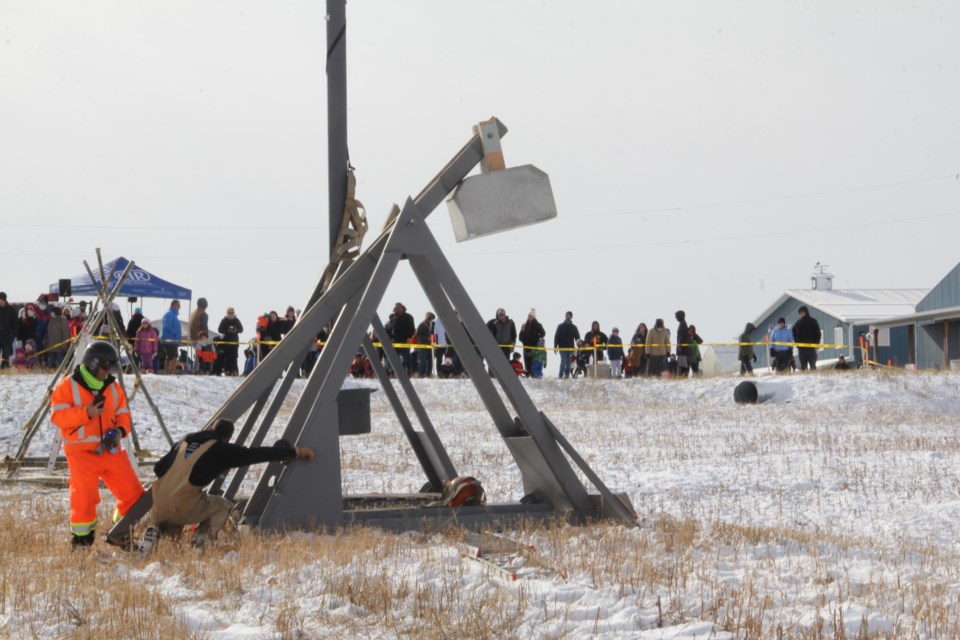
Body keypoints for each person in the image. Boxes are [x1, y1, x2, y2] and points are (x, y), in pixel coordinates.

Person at [150, 419, 314, 546]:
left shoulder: (184, 443)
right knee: (222, 506)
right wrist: (294, 452)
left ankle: (156, 533)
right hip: (182, 504)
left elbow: (158, 468)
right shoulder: (220, 449)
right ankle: (201, 541)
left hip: (158, 504)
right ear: (228, 437)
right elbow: (255, 454)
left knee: (174, 529)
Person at [50, 341, 144, 547]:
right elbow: (58, 417)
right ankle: (82, 541)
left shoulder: (113, 387)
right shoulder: (68, 385)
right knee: (84, 499)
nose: (107, 373)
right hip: (81, 453)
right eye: (105, 368)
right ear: (93, 364)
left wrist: (119, 432)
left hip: (110, 450)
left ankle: (119, 531)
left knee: (134, 493)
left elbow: (123, 414)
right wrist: (86, 413)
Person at [387, 302, 416, 375]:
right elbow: (389, 328)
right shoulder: (393, 318)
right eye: (396, 309)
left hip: (405, 341)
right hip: (395, 341)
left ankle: (409, 372)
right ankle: (395, 373)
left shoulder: (409, 317)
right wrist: (390, 337)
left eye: (399, 308)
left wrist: (409, 337)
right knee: (395, 358)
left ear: (403, 309)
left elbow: (412, 329)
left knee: (407, 358)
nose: (398, 310)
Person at [792, 306, 821, 371]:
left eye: (802, 312)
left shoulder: (813, 321)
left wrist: (817, 344)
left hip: (811, 348)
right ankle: (805, 381)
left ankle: (814, 380)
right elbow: (793, 331)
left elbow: (818, 334)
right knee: (803, 366)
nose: (801, 314)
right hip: (802, 349)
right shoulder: (798, 322)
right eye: (800, 313)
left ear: (806, 312)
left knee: (812, 366)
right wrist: (797, 343)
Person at [217, 307, 244, 376]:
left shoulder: (236, 320)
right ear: (227, 313)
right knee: (227, 357)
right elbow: (220, 329)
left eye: (232, 313)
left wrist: (236, 329)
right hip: (226, 342)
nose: (231, 314)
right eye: (229, 313)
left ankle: (235, 371)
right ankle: (227, 371)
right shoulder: (224, 320)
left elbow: (241, 329)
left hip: (235, 342)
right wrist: (227, 330)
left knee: (234, 356)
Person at [518, 309, 546, 374]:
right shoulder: (525, 325)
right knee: (527, 362)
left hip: (534, 348)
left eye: (531, 316)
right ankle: (528, 375)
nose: (529, 317)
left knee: (533, 363)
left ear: (534, 317)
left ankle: (533, 375)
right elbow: (520, 337)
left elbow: (543, 333)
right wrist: (522, 330)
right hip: (526, 347)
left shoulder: (538, 325)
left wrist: (537, 338)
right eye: (528, 316)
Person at [554, 311, 580, 379]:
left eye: (569, 315)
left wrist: (579, 344)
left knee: (569, 364)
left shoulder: (574, 327)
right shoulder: (560, 326)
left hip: (570, 348)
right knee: (563, 361)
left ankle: (567, 375)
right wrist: (555, 346)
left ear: (571, 317)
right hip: (562, 348)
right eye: (567, 315)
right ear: (565, 316)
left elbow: (577, 337)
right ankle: (560, 375)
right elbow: (556, 337)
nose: (568, 316)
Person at [160, 300, 182, 375]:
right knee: (173, 357)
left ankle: (167, 372)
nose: (178, 307)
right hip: (170, 339)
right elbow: (167, 326)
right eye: (177, 305)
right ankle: (172, 372)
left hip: (173, 340)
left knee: (169, 357)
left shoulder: (174, 315)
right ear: (172, 305)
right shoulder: (169, 314)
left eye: (179, 306)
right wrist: (176, 333)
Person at [415, 312, 436, 377]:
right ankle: (421, 374)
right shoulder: (421, 325)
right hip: (423, 346)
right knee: (423, 361)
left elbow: (435, 334)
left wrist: (434, 341)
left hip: (431, 346)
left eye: (432, 319)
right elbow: (418, 335)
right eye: (430, 319)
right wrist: (427, 338)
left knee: (431, 361)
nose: (431, 320)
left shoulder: (434, 325)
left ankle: (429, 373)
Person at [0, 292, 16, 369]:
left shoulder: (11, 310)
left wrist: (12, 336)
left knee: (6, 353)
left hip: (7, 336)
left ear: (3, 300)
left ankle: (5, 366)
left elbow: (15, 325)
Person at [675, 310, 689, 377]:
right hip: (681, 348)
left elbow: (682, 336)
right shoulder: (682, 323)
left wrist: (680, 346)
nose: (676, 318)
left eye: (676, 316)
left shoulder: (683, 324)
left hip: (682, 349)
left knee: (682, 365)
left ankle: (682, 376)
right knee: (681, 364)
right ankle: (682, 376)